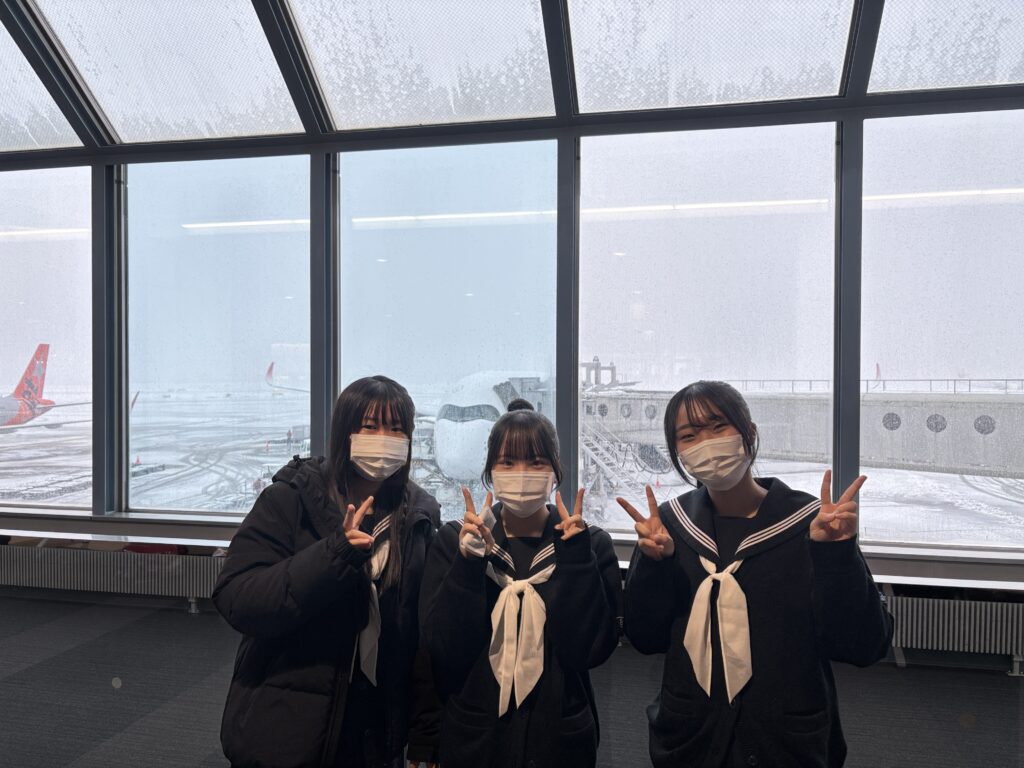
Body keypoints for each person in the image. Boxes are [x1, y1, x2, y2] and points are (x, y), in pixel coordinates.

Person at [620, 380, 892, 768]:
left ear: (749, 432)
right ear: (677, 451)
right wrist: (653, 565)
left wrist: (836, 556)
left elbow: (863, 646)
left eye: (718, 426)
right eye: (689, 435)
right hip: (690, 738)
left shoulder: (810, 525)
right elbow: (646, 637)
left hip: (785, 742)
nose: (706, 443)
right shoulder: (669, 526)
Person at [214, 376, 441, 768]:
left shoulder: (416, 519)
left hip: (372, 731)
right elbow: (238, 598)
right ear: (344, 433)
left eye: (396, 429)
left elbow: (418, 638)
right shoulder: (291, 499)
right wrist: (333, 555)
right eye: (370, 426)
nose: (384, 439)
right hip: (289, 723)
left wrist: (423, 734)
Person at [420, 399, 622, 768]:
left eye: (536, 462)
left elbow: (589, 652)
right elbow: (444, 651)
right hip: (474, 739)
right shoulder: (454, 542)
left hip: (559, 743)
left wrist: (576, 559)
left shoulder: (590, 545)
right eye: (508, 462)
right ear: (490, 473)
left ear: (555, 472)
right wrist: (468, 564)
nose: (522, 473)